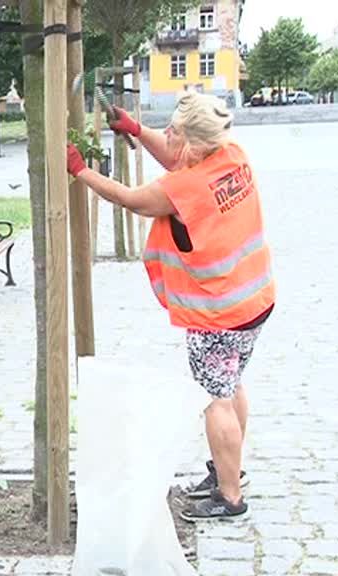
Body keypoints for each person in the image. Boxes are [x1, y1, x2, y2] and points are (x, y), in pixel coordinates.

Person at [66, 90, 276, 520]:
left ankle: (230, 497)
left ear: (195, 143)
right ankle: (227, 470)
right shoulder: (231, 154)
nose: (168, 134)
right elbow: (177, 159)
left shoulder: (187, 186)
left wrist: (81, 171)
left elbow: (132, 198)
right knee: (231, 384)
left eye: (175, 131)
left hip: (217, 312)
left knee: (215, 397)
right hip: (254, 298)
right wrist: (136, 130)